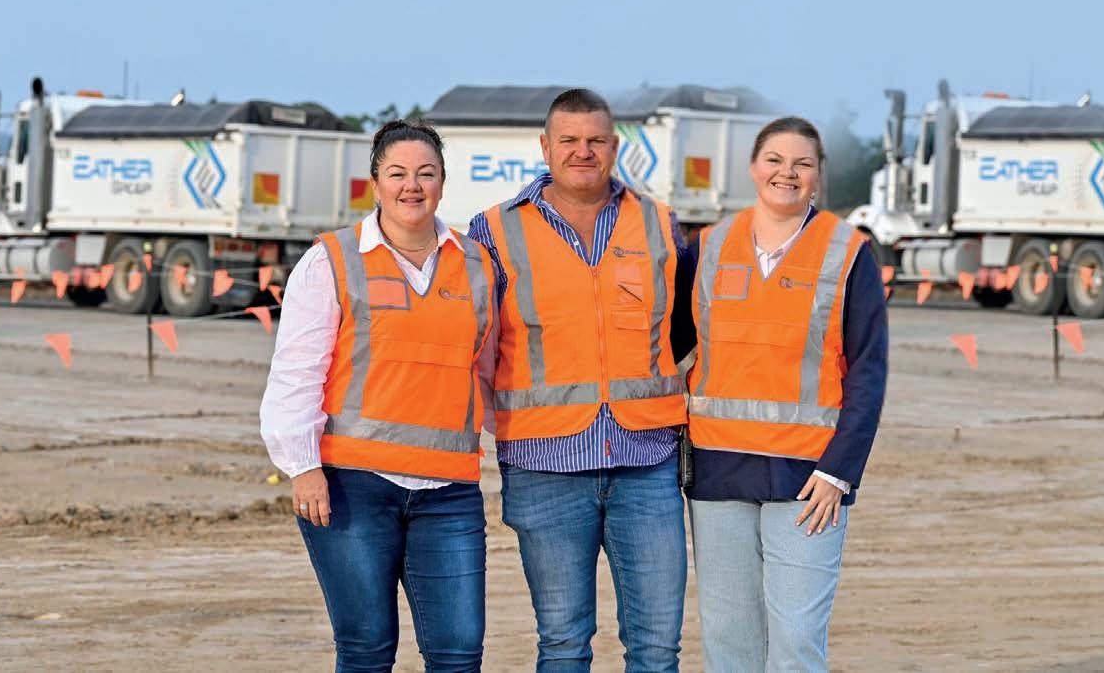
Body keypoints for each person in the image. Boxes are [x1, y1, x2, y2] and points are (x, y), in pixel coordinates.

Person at [260, 120, 496, 673]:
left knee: (460, 653)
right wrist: (302, 467)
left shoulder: (477, 264)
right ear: (375, 183)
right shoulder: (332, 260)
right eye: (398, 173)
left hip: (449, 491)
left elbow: (487, 368)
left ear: (443, 183)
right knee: (366, 649)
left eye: (426, 173)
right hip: (353, 487)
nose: (412, 186)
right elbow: (296, 372)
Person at [468, 88, 689, 672]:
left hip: (647, 462)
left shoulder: (661, 223)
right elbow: (471, 339)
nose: (582, 151)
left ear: (614, 146)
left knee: (657, 649)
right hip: (544, 465)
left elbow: (688, 329)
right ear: (545, 147)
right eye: (569, 140)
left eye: (595, 140)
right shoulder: (494, 230)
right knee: (563, 644)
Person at [678, 116, 888, 672]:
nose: (787, 173)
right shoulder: (707, 248)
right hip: (718, 471)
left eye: (802, 163)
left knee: (796, 641)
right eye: (774, 160)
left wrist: (840, 471)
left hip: (809, 480)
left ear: (819, 175)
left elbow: (868, 371)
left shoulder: (849, 253)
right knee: (729, 639)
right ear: (753, 168)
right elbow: (670, 347)